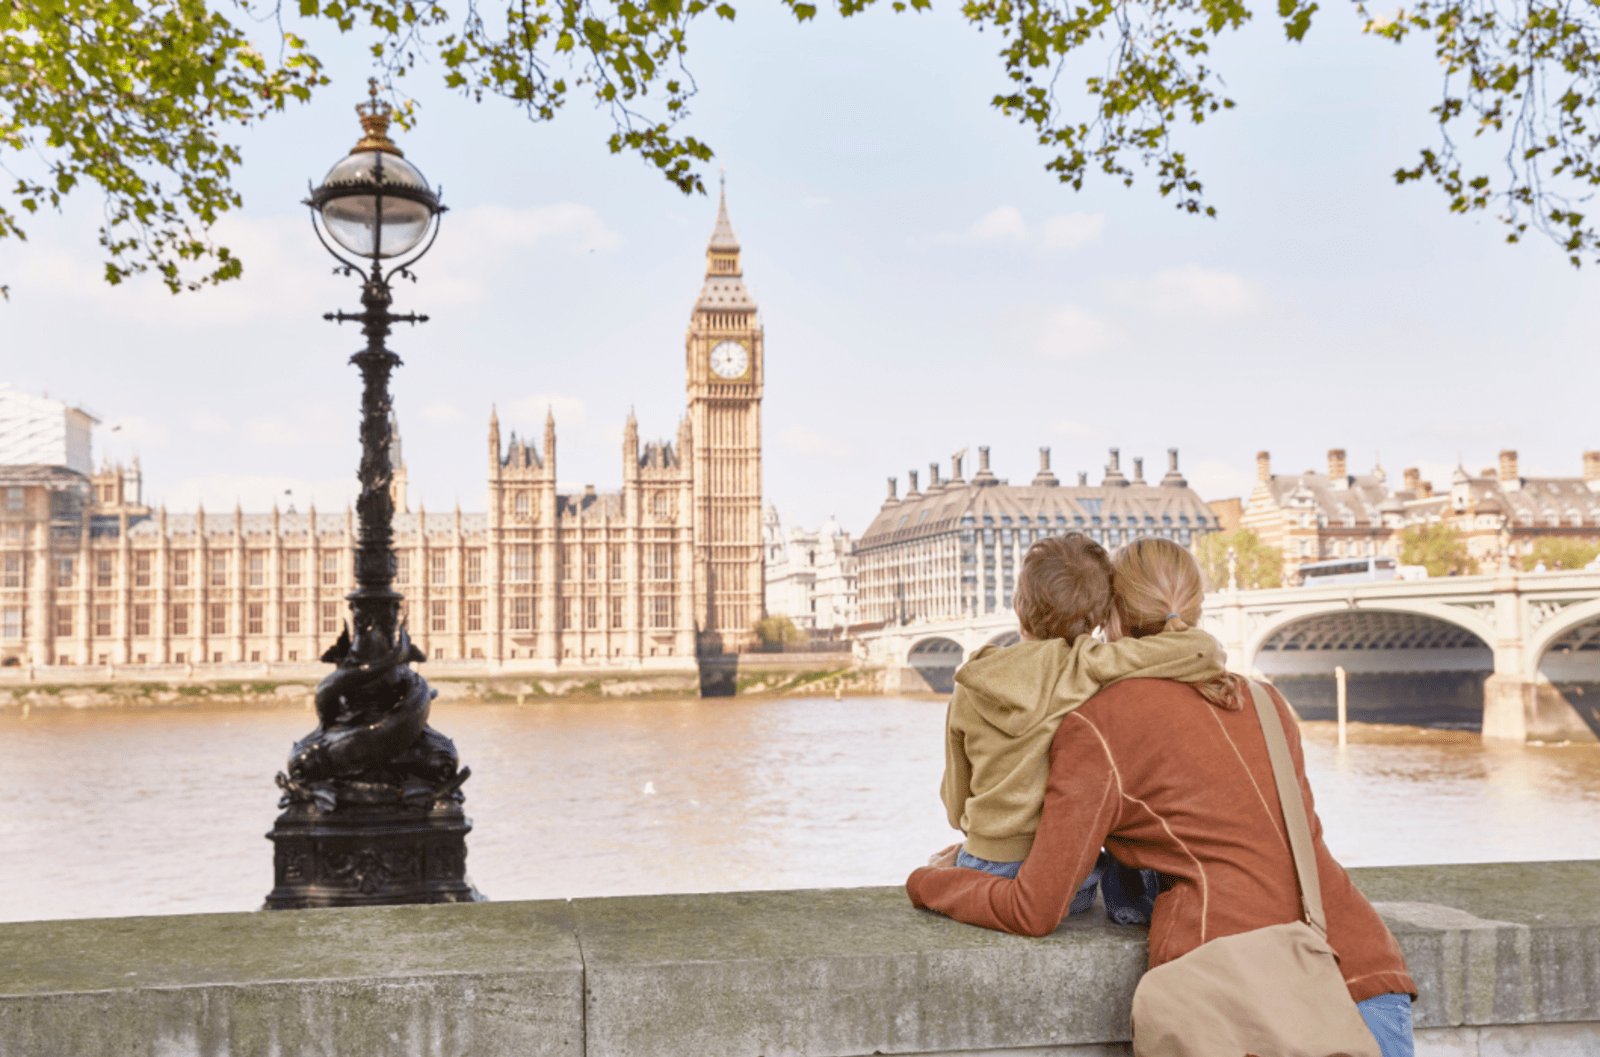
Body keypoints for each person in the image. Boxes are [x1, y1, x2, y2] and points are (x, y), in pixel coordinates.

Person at [909, 537, 1417, 1057]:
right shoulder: (1266, 701)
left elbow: (1034, 907)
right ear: (1196, 610)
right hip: (1362, 971)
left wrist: (928, 883)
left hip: (1238, 991)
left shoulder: (1100, 724)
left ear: (1112, 618)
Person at [939, 534, 1226, 924]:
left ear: (1016, 605)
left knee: (945, 861)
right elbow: (1200, 651)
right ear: (1097, 619)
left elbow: (956, 805)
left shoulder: (970, 684)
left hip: (985, 862)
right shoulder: (1087, 668)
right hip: (1070, 884)